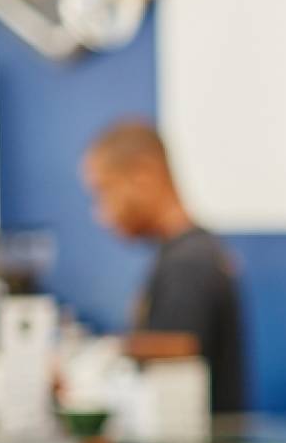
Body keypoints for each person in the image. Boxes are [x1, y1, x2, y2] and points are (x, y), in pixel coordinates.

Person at [80, 120, 245, 414]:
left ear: (144, 175)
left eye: (104, 190)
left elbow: (178, 348)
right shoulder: (184, 254)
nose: (100, 214)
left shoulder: (190, 261)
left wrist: (98, 356)